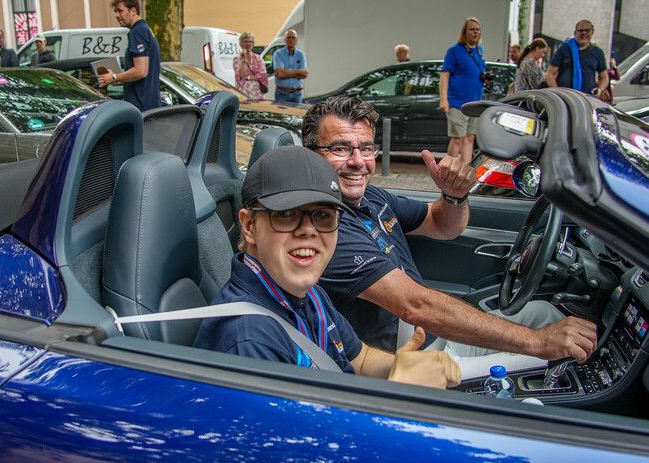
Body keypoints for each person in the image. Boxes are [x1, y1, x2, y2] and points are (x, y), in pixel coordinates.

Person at [302, 95, 598, 378]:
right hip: (410, 361)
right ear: (310, 155)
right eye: (340, 149)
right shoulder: (324, 226)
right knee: (558, 351)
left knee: (545, 313)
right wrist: (538, 342)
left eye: (366, 149)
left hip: (431, 337)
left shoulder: (372, 198)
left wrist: (454, 196)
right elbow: (416, 305)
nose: (358, 161)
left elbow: (441, 224)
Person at [193, 146, 461, 389]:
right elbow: (298, 440)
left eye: (323, 215)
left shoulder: (307, 292)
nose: (308, 230)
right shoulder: (249, 340)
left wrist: (403, 366)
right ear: (250, 226)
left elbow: (361, 359)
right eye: (287, 215)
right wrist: (398, 390)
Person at [439, 17, 487, 166]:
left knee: (470, 137)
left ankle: (465, 168)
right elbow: (445, 75)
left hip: (475, 103)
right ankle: (450, 167)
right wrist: (444, 99)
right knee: (457, 138)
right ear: (465, 32)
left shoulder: (480, 51)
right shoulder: (454, 51)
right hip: (457, 103)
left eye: (478, 30)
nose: (475, 32)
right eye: (472, 29)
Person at [98, 0, 161, 112]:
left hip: (141, 107)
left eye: (120, 11)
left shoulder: (138, 31)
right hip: (148, 106)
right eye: (115, 11)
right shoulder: (144, 29)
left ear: (133, 11)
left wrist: (114, 77)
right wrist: (121, 77)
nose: (116, 15)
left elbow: (141, 71)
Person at [545, 19, 608, 98]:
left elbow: (604, 77)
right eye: (580, 30)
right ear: (575, 33)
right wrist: (557, 92)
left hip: (588, 99)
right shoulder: (564, 49)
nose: (583, 33)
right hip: (565, 98)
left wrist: (600, 90)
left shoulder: (598, 52)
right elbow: (550, 73)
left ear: (592, 32)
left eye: (587, 30)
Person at [272, 29, 307, 104]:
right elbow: (280, 74)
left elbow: (304, 74)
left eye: (293, 38)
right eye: (288, 37)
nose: (291, 40)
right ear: (284, 40)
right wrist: (298, 72)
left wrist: (285, 72)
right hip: (282, 94)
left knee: (297, 116)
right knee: (281, 115)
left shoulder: (301, 54)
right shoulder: (278, 54)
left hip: (297, 94)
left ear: (297, 40)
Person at [233, 32, 268, 100]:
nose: (248, 44)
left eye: (250, 41)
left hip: (258, 93)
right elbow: (241, 75)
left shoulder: (258, 58)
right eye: (245, 42)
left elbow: (263, 76)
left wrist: (248, 77)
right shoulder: (237, 59)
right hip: (243, 93)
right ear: (241, 43)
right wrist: (245, 59)